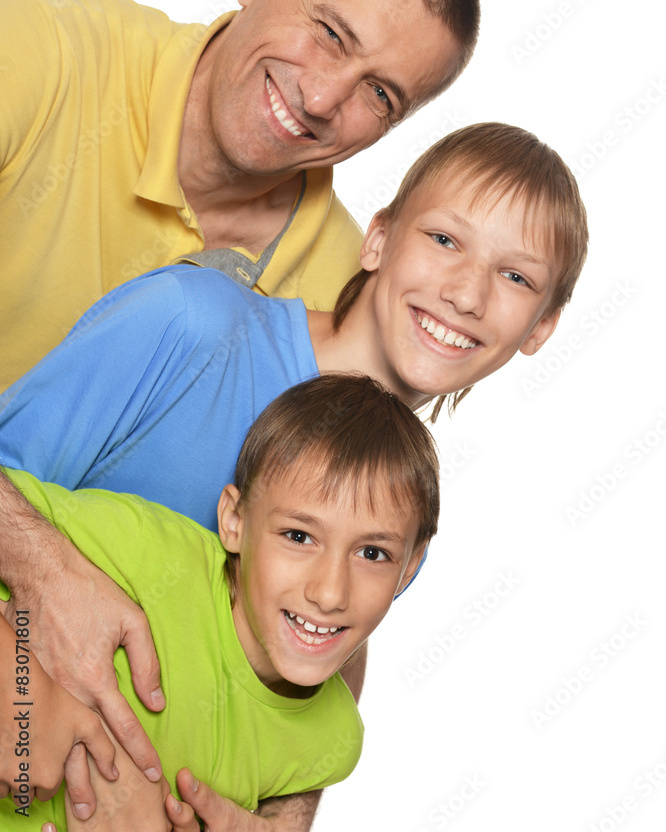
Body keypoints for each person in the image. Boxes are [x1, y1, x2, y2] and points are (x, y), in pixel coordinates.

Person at [0, 122, 588, 828]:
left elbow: (305, 677)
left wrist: (283, 817)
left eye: (516, 276)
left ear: (541, 329)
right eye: (444, 239)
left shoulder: (395, 505)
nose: (467, 293)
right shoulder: (193, 325)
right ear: (376, 240)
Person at [0, 0, 479, 394]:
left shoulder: (349, 303)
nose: (320, 98)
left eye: (380, 93)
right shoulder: (43, 44)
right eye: (330, 33)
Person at [0, 374, 439, 830]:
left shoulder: (331, 743)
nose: (329, 593)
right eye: (298, 536)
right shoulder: (141, 549)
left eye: (372, 553)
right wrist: (22, 686)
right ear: (234, 521)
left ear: (409, 567)